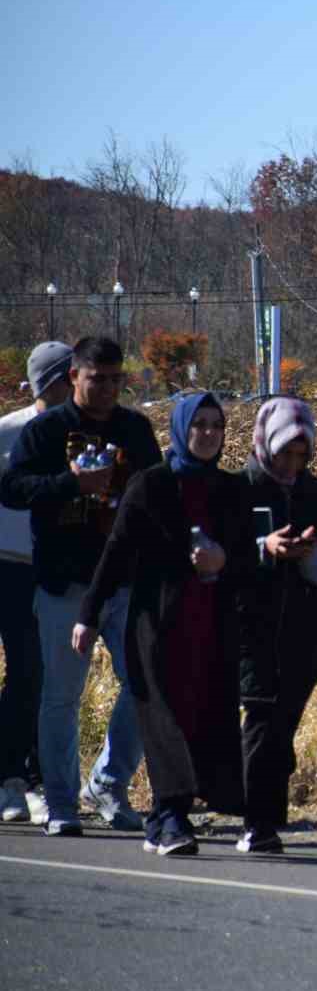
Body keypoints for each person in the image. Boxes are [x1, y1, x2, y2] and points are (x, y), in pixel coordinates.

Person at [74, 392, 253, 855]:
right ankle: (171, 816)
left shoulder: (233, 490)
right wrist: (88, 616)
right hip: (157, 623)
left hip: (212, 625)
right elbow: (116, 554)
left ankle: (165, 817)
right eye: (199, 425)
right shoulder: (151, 485)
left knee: (202, 716)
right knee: (164, 718)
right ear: (180, 429)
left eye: (216, 425)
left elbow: (249, 562)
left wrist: (224, 558)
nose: (208, 434)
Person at [0, 337, 161, 836]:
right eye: (98, 378)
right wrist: (70, 484)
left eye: (116, 379)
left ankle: (108, 783)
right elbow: (13, 489)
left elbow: (158, 490)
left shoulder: (134, 429)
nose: (109, 388)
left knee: (144, 683)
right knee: (60, 696)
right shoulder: (47, 431)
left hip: (122, 580)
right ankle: (63, 801)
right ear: (74, 377)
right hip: (63, 580)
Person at [237, 398, 317, 854]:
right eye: (285, 452)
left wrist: (308, 557)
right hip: (251, 620)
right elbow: (220, 552)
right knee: (261, 715)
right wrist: (265, 548)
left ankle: (267, 812)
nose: (292, 463)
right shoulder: (239, 488)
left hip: (301, 623)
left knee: (284, 720)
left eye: (302, 455)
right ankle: (256, 822)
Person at [0, 342, 75, 824]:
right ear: (50, 382)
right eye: (71, 376)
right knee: (27, 671)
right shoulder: (8, 431)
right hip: (6, 564)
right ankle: (11, 777)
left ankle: (30, 777)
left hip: (54, 567)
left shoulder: (83, 433)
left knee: (45, 677)